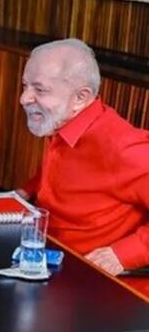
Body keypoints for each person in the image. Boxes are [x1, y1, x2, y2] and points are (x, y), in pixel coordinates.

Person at [18, 38, 149, 275]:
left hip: (88, 279)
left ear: (80, 97)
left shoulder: (120, 146)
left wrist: (124, 254)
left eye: (39, 89)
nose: (24, 98)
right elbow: (65, 169)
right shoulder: (61, 121)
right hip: (45, 252)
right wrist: (27, 190)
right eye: (25, 86)